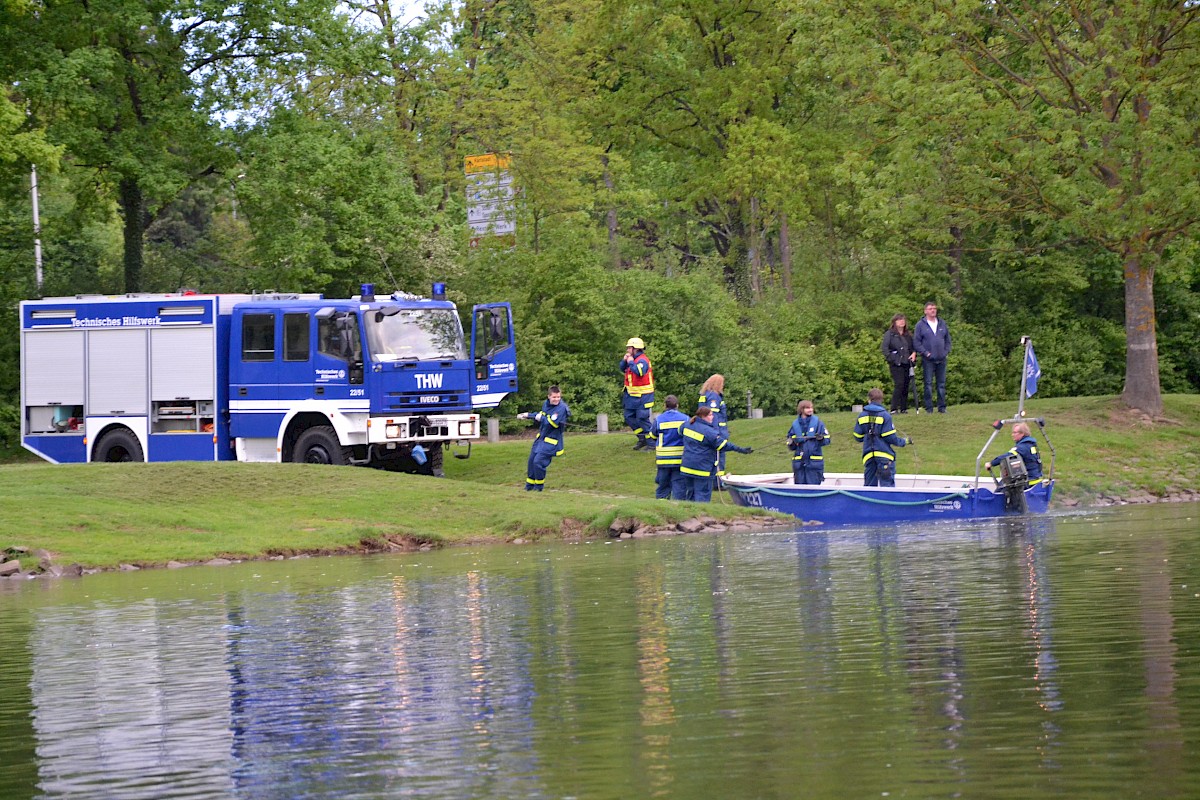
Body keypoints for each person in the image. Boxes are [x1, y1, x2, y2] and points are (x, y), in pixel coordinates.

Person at [678, 406, 752, 503]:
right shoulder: (708, 431)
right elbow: (723, 445)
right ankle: (702, 516)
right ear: (703, 416)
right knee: (702, 495)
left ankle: (690, 515)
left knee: (690, 495)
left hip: (687, 467)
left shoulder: (687, 425)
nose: (713, 417)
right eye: (710, 415)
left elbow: (679, 431)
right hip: (702, 469)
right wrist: (740, 449)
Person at [852, 388, 910, 487]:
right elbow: (890, 437)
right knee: (887, 487)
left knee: (869, 487)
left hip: (869, 456)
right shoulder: (885, 415)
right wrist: (904, 441)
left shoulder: (862, 415)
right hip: (884, 456)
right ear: (881, 400)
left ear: (869, 399)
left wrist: (867, 436)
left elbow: (857, 436)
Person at [518, 385, 569, 491]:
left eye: (558, 397)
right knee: (531, 461)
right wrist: (528, 415)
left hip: (551, 441)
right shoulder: (546, 405)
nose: (556, 399)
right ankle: (529, 487)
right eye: (554, 397)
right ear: (549, 396)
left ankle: (539, 487)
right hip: (541, 438)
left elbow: (552, 423)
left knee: (538, 462)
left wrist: (541, 418)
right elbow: (541, 415)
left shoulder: (561, 408)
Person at [913, 301, 951, 414]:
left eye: (934, 308)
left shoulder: (942, 323)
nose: (933, 310)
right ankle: (929, 408)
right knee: (928, 384)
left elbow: (948, 340)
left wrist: (946, 351)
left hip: (942, 358)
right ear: (925, 311)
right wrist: (925, 353)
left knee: (941, 384)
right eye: (930, 308)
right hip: (928, 359)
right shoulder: (920, 325)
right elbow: (916, 342)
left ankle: (942, 408)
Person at [648, 395, 688, 500]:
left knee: (663, 485)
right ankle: (679, 507)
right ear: (677, 405)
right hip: (679, 458)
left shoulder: (659, 419)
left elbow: (652, 436)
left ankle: (661, 508)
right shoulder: (685, 419)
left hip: (663, 459)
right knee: (679, 485)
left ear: (665, 406)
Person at [619, 337, 655, 449]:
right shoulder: (632, 359)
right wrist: (625, 361)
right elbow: (622, 368)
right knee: (629, 417)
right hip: (631, 396)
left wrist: (630, 362)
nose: (627, 350)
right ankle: (642, 438)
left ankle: (652, 443)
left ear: (635, 349)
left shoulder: (642, 360)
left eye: (629, 348)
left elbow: (639, 372)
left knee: (642, 419)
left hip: (644, 396)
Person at [787, 400, 830, 485]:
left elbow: (827, 440)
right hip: (799, 465)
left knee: (814, 491)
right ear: (801, 409)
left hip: (814, 464)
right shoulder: (795, 425)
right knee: (799, 491)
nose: (810, 410)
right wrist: (791, 443)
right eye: (807, 408)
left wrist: (821, 439)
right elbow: (791, 445)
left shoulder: (819, 424)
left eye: (811, 407)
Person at [698, 374, 729, 488]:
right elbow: (713, 416)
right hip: (717, 431)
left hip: (707, 429)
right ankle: (718, 483)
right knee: (719, 457)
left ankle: (712, 481)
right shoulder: (714, 397)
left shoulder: (705, 395)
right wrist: (716, 433)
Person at [882, 313, 916, 414]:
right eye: (899, 320)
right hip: (896, 363)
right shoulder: (890, 334)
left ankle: (903, 408)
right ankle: (893, 408)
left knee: (906, 384)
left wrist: (913, 354)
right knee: (899, 384)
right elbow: (885, 348)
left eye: (903, 320)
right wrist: (892, 358)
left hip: (907, 362)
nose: (902, 321)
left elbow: (913, 347)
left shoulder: (908, 335)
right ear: (894, 322)